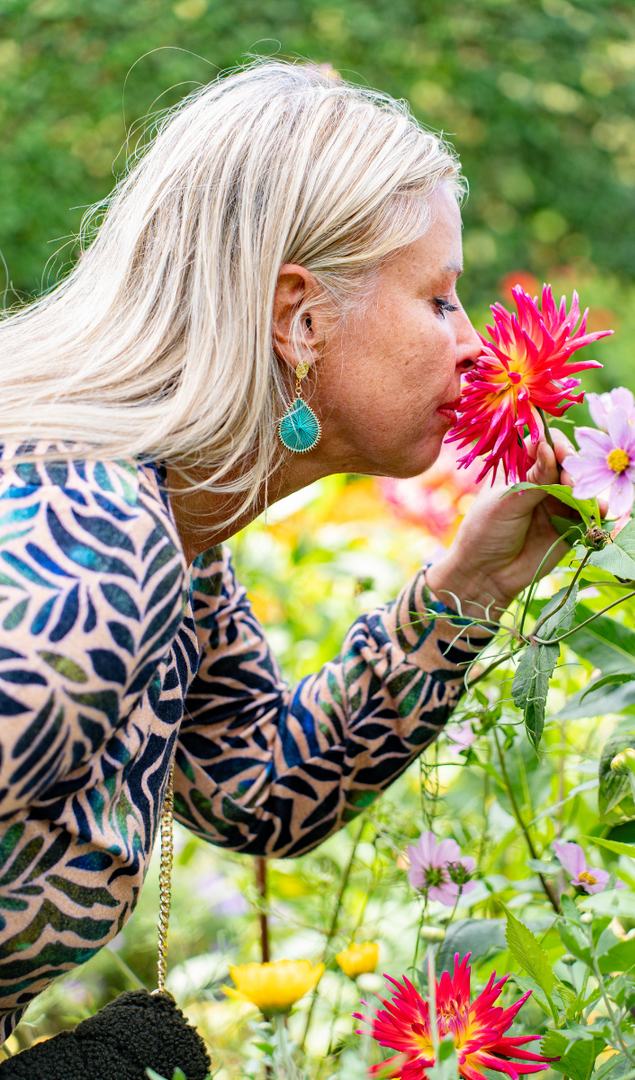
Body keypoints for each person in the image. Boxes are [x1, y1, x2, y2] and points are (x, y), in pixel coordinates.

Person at [0, 60, 572, 1040]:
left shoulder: (177, 520)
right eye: (439, 300)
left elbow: (257, 785)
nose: (475, 345)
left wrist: (467, 586)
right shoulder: (93, 548)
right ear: (298, 319)